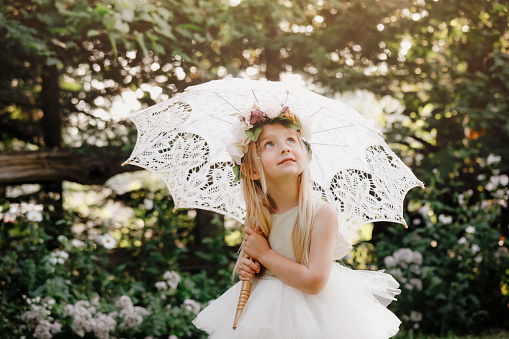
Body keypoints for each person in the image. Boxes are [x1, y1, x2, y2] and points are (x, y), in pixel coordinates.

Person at [192, 103, 401, 338]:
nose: (284, 148)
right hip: (262, 313)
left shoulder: (321, 213)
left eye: (291, 140)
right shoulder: (258, 215)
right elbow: (255, 262)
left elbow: (314, 282)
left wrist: (264, 255)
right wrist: (248, 267)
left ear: (305, 155)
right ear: (251, 170)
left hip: (310, 317)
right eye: (269, 144)